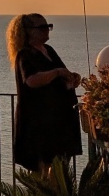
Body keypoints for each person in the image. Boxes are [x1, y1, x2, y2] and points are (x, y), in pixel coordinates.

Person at [6, 14, 82, 175]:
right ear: (28, 31)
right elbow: (31, 80)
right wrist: (57, 72)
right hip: (39, 121)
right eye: (42, 27)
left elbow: (61, 74)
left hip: (59, 120)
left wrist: (72, 78)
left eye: (48, 26)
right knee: (42, 169)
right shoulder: (25, 54)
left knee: (59, 167)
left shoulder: (49, 50)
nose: (46, 30)